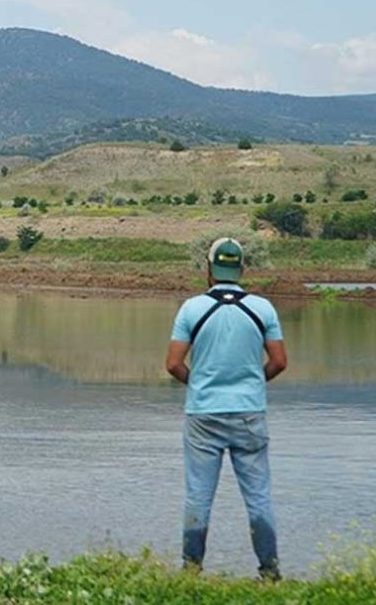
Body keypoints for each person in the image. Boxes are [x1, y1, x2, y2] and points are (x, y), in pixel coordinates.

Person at [165, 237, 288, 580]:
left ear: (209, 270)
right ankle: (270, 573)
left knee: (198, 496)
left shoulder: (191, 309)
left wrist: (202, 385)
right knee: (258, 496)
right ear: (241, 270)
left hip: (203, 414)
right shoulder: (263, 309)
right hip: (249, 413)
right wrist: (251, 384)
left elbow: (173, 364)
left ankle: (191, 572)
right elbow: (279, 362)